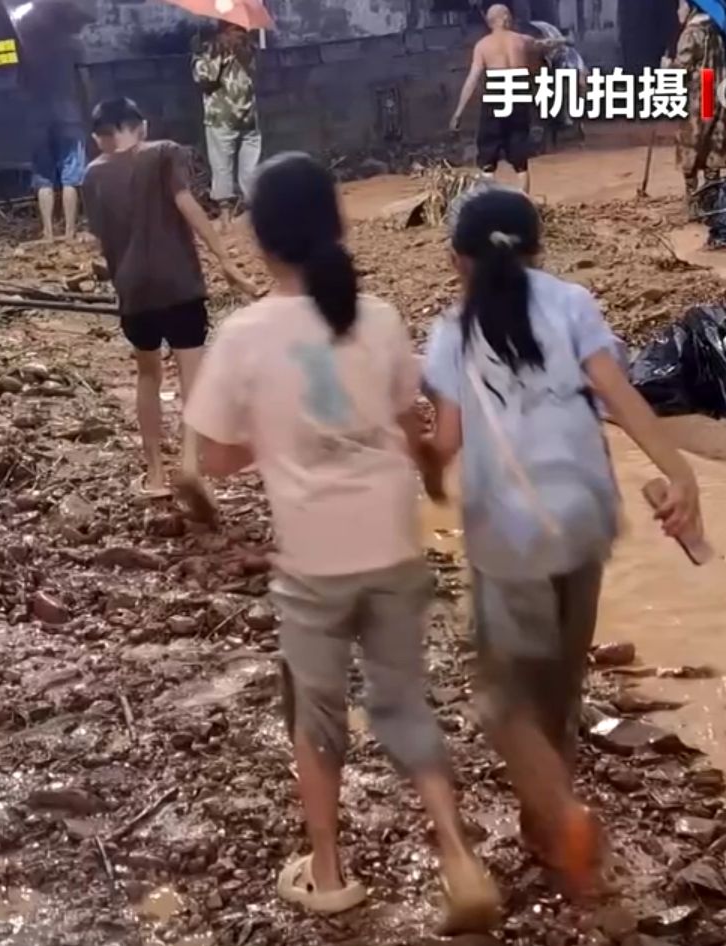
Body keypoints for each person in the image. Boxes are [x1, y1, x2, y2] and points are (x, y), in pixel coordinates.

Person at [184, 152, 503, 935]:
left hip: (313, 561)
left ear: (260, 239)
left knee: (317, 717)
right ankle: (457, 855)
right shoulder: (381, 318)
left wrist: (275, 439)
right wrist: (430, 475)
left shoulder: (244, 335)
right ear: (337, 224)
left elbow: (212, 461)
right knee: (402, 705)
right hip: (391, 545)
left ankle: (328, 873)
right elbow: (407, 426)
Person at [421, 186, 703, 902]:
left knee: (503, 700)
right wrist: (679, 472)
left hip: (508, 533)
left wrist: (414, 459)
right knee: (561, 682)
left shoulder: (451, 332)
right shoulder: (573, 303)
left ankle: (564, 817)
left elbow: (445, 444)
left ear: (456, 260)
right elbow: (617, 394)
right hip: (585, 516)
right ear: (539, 250)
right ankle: (545, 831)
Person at [82, 97, 260, 504]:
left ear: (97, 138)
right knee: (191, 375)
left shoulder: (92, 175)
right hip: (180, 284)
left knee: (148, 376)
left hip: (134, 292)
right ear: (141, 126)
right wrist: (226, 261)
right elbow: (187, 205)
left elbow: (101, 238)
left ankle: (155, 474)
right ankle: (190, 465)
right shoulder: (164, 152)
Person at [450, 5, 554, 187]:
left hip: (496, 95)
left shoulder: (483, 46)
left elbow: (472, 79)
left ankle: (488, 197)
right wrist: (560, 41)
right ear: (506, 19)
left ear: (490, 22)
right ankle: (523, 200)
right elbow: (544, 47)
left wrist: (458, 113)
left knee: (488, 152)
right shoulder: (523, 41)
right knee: (520, 156)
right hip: (518, 94)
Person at [19, 18, 90, 241]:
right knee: (71, 177)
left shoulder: (25, 48)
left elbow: (21, 85)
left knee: (43, 177)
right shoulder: (73, 45)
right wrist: (87, 111)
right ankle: (69, 231)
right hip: (69, 116)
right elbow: (84, 82)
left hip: (37, 119)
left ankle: (48, 232)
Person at [193, 22, 262, 223]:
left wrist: (198, 54)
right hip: (248, 114)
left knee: (221, 163)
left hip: (221, 115)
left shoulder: (216, 46)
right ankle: (251, 210)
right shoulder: (250, 47)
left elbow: (205, 77)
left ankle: (225, 214)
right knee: (250, 165)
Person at [671, 0, 726, 213]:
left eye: (680, 5)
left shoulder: (691, 33)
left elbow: (681, 69)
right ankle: (711, 198)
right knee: (714, 141)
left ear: (691, 7)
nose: (678, 11)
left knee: (693, 141)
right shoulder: (717, 31)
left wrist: (666, 66)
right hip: (717, 89)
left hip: (702, 91)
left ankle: (693, 199)